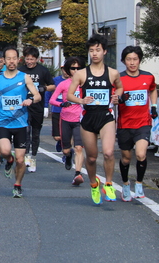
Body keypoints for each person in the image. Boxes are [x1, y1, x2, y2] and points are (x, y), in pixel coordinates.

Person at [67, 35, 124, 205]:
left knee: (108, 152)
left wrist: (117, 97)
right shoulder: (81, 74)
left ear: (105, 51)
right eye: (91, 50)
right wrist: (81, 101)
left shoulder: (112, 73)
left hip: (106, 117)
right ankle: (94, 183)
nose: (94, 53)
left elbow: (120, 87)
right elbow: (70, 95)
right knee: (91, 158)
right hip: (88, 118)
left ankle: (108, 184)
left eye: (98, 50)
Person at [0, 47, 41, 198]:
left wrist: (30, 99)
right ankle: (8, 161)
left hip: (21, 123)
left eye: (14, 58)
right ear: (3, 61)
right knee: (4, 151)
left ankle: (17, 184)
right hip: (3, 121)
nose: (11, 61)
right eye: (8, 58)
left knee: (20, 159)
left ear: (18, 60)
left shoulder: (25, 77)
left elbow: (38, 96)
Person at [117, 45, 158, 202]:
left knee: (141, 154)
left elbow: (153, 90)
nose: (132, 63)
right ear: (124, 61)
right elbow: (114, 96)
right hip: (124, 124)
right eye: (129, 59)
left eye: (135, 59)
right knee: (126, 158)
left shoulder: (148, 77)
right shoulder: (119, 78)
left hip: (143, 123)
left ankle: (139, 184)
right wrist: (119, 99)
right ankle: (126, 184)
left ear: (139, 60)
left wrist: (153, 106)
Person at [49, 57, 86, 185]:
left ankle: (78, 173)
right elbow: (52, 100)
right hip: (65, 118)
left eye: (78, 68)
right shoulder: (63, 84)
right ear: (68, 70)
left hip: (80, 119)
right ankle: (68, 156)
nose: (76, 71)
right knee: (66, 149)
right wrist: (61, 104)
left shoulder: (85, 84)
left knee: (79, 148)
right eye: (73, 68)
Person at [18, 46, 55, 173]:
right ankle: (26, 156)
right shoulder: (20, 70)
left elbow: (52, 86)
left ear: (36, 59)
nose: (29, 62)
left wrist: (43, 89)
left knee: (35, 133)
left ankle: (33, 157)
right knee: (25, 132)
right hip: (23, 106)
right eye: (27, 59)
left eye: (32, 59)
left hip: (37, 106)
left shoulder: (43, 71)